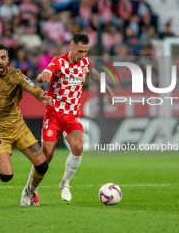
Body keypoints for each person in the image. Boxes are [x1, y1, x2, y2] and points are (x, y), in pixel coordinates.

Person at [20, 33, 115, 204]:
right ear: (71, 47)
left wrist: (108, 90)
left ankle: (64, 183)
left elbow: (93, 75)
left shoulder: (86, 62)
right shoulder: (58, 61)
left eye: (86, 51)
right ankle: (30, 191)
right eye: (80, 51)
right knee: (46, 157)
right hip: (54, 113)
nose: (83, 55)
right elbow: (44, 74)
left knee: (78, 147)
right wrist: (44, 76)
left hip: (72, 115)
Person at [0, 43, 53, 206]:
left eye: (2, 58)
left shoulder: (16, 75)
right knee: (7, 176)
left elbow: (31, 87)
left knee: (42, 165)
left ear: (7, 59)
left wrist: (41, 95)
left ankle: (30, 192)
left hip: (18, 128)